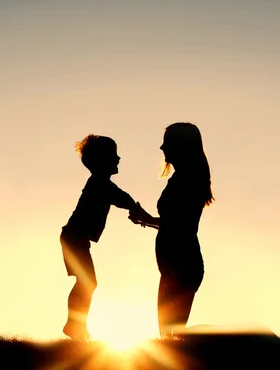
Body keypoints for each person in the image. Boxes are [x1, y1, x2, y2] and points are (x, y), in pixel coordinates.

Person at [129, 122, 214, 337]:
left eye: (167, 143)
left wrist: (146, 219)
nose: (161, 148)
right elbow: (174, 222)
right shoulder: (181, 178)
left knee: (172, 336)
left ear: (181, 146)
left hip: (182, 266)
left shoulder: (188, 180)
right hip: (173, 268)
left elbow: (181, 226)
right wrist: (146, 220)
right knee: (168, 336)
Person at [60, 134, 143, 340]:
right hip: (74, 237)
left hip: (76, 238)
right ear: (100, 161)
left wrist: (135, 209)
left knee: (87, 282)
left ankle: (75, 325)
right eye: (113, 155)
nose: (118, 159)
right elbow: (120, 197)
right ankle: (74, 325)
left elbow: (120, 198)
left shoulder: (100, 182)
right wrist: (136, 209)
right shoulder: (99, 182)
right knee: (87, 282)